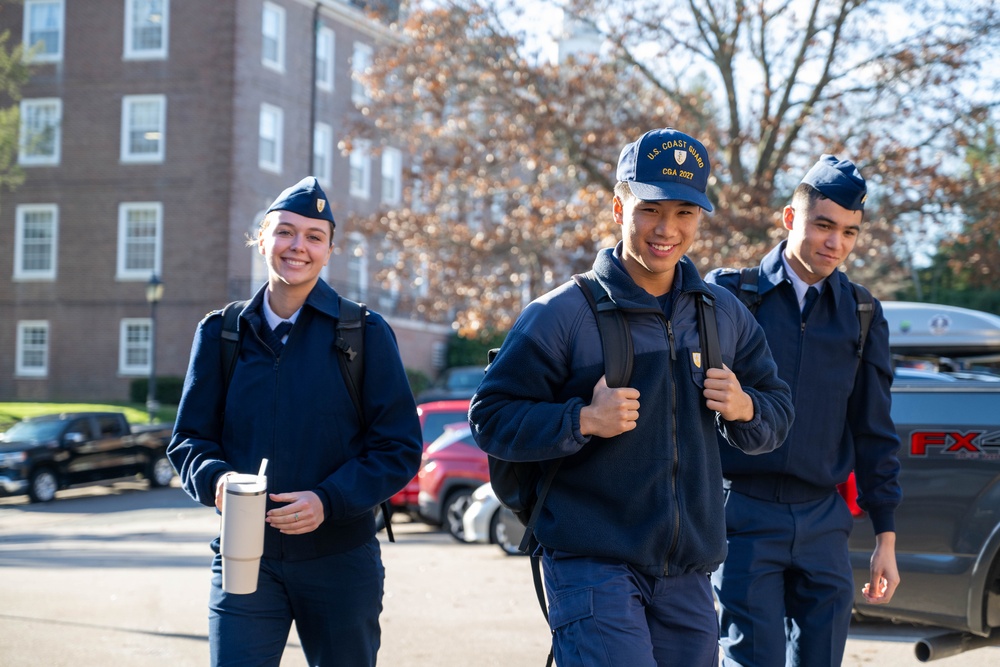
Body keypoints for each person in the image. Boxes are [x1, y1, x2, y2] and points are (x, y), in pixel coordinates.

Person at [469, 128, 795, 666]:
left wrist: (747, 408)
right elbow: (490, 418)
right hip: (591, 564)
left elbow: (777, 411)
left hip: (688, 573)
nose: (666, 230)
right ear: (619, 206)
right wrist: (584, 420)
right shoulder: (561, 313)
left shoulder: (723, 315)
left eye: (685, 212)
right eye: (650, 210)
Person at [168, 176, 422, 667]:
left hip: (339, 560)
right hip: (246, 559)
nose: (297, 247)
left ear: (329, 251)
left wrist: (328, 500)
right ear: (262, 239)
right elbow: (188, 440)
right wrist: (215, 480)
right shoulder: (221, 332)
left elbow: (399, 448)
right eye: (285, 232)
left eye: (313, 236)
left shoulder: (363, 332)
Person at [706, 155, 903, 666]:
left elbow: (874, 429)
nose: (835, 243)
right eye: (823, 225)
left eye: (849, 232)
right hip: (742, 513)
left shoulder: (862, 315)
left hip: (824, 520)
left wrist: (886, 536)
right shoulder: (730, 297)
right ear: (791, 219)